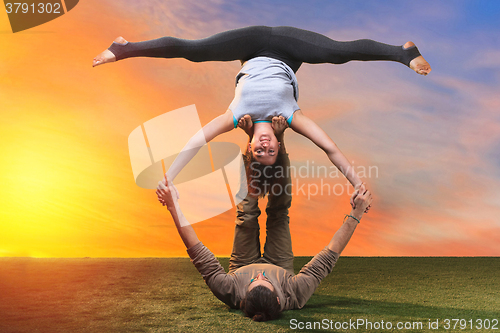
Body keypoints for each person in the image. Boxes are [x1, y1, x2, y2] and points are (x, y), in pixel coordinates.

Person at [93, 26, 431, 200]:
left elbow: (197, 140)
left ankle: (124, 48)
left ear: (251, 146)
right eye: (271, 151)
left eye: (260, 152)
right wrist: (357, 183)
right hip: (290, 49)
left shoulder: (235, 115)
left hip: (250, 45)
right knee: (336, 53)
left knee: (195, 51)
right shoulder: (291, 117)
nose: (266, 147)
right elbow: (329, 149)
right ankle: (403, 53)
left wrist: (170, 178)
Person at [156, 125, 373, 321]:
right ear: (279, 300)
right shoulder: (295, 294)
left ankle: (252, 137)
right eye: (264, 280)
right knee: (279, 213)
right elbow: (330, 254)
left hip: (242, 263)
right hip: (280, 264)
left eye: (254, 281)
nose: (259, 275)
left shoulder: (229, 291)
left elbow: (196, 251)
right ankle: (279, 137)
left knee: (247, 214)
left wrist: (172, 206)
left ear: (243, 299)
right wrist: (357, 213)